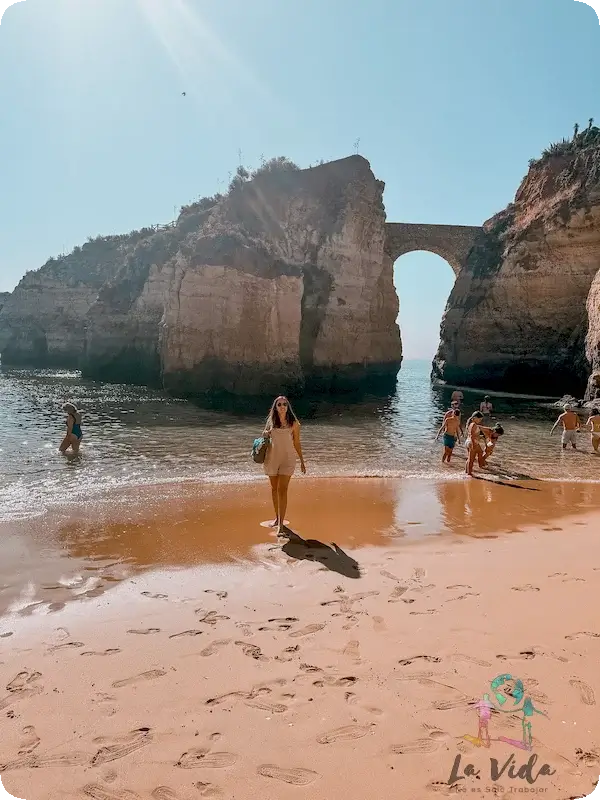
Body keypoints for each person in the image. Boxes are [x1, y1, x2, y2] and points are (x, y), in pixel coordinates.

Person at [262, 395, 306, 535]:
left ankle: (281, 525)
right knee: (274, 489)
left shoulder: (294, 423)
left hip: (288, 459)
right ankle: (277, 518)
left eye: (284, 404)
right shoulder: (271, 421)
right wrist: (265, 434)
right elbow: (265, 437)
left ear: (288, 407)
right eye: (279, 404)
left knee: (282, 490)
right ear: (275, 407)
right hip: (272, 458)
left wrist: (302, 461)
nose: (282, 407)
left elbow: (297, 443)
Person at [465, 411, 485, 476]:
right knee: (471, 459)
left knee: (480, 452)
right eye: (480, 419)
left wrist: (480, 437)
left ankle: (467, 471)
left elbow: (474, 434)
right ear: (475, 418)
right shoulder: (473, 425)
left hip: (469, 442)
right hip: (472, 442)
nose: (480, 421)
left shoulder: (471, 424)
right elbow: (472, 436)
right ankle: (469, 474)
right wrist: (473, 445)